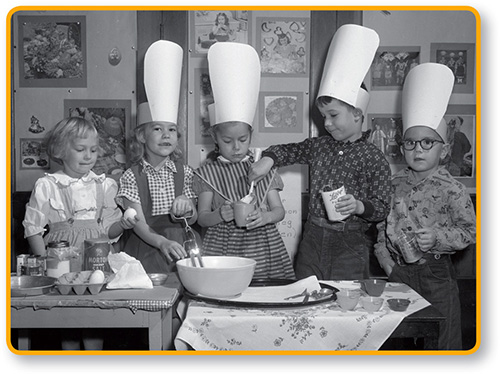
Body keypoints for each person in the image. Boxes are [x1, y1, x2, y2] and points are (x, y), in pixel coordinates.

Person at [250, 25, 392, 281]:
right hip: (313, 236)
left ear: (358, 113)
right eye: (323, 117)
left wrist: (359, 205)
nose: (326, 123)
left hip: (351, 241)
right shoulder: (319, 146)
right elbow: (288, 151)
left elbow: (381, 207)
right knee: (306, 292)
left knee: (345, 302)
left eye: (333, 115)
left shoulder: (374, 157)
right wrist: (268, 159)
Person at [374, 63, 476, 350]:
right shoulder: (393, 184)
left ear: (443, 150)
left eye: (427, 142)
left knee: (442, 340)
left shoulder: (452, 189)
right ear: (401, 146)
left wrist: (438, 238)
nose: (418, 150)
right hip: (399, 272)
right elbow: (381, 228)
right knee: (399, 339)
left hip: (436, 276)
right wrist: (386, 262)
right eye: (410, 143)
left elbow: (469, 232)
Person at [22, 116, 137, 350]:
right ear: (61, 151)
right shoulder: (48, 185)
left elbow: (108, 230)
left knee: (95, 315)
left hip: (97, 256)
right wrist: (44, 261)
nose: (89, 156)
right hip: (63, 258)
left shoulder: (104, 185)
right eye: (80, 149)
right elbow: (33, 228)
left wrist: (123, 226)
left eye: (93, 150)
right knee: (69, 317)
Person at [194, 42, 295, 280]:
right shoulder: (208, 172)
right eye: (228, 140)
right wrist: (221, 214)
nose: (237, 147)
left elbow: (279, 210)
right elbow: (202, 217)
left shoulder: (261, 167)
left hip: (264, 249)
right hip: (222, 251)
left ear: (251, 135)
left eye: (243, 139)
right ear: (215, 138)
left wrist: (267, 217)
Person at [116, 40, 199, 273]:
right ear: (141, 136)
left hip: (183, 246)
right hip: (148, 247)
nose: (166, 135)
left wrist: (188, 208)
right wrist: (161, 242)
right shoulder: (132, 176)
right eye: (157, 129)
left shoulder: (186, 172)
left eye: (172, 129)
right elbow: (138, 223)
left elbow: (192, 220)